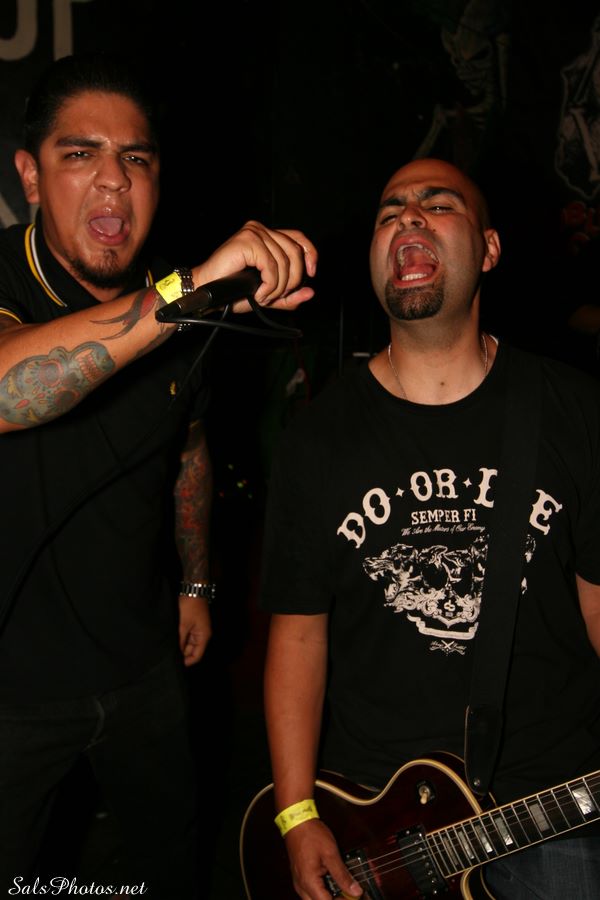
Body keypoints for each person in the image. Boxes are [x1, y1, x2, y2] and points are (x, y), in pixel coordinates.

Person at [0, 51, 317, 899]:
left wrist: (197, 583)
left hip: (142, 665)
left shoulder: (181, 304)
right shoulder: (13, 278)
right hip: (12, 686)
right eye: (80, 154)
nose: (113, 179)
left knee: (167, 867)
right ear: (30, 176)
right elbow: (6, 389)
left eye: (135, 158)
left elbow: (188, 446)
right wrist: (187, 294)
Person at [259, 157, 600, 899]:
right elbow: (298, 636)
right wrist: (296, 813)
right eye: (390, 213)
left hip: (552, 807)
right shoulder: (317, 439)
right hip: (379, 830)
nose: (408, 217)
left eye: (438, 205)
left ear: (489, 249)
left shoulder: (574, 409)